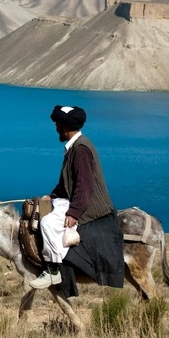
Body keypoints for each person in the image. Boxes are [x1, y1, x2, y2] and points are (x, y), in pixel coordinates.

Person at [30, 104, 116, 289]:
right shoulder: (74, 146)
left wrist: (74, 213)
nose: (55, 128)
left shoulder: (81, 149)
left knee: (47, 223)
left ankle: (53, 271)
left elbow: (84, 186)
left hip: (91, 206)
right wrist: (53, 196)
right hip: (74, 199)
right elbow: (68, 181)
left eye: (57, 125)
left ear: (64, 127)